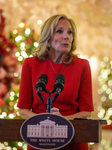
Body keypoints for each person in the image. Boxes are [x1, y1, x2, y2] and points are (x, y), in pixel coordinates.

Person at [17, 14, 94, 150]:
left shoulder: (82, 65)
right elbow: (23, 110)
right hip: (39, 139)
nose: (67, 36)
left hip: (73, 139)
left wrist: (61, 120)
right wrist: (45, 120)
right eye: (60, 31)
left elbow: (86, 112)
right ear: (48, 37)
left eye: (70, 32)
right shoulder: (31, 64)